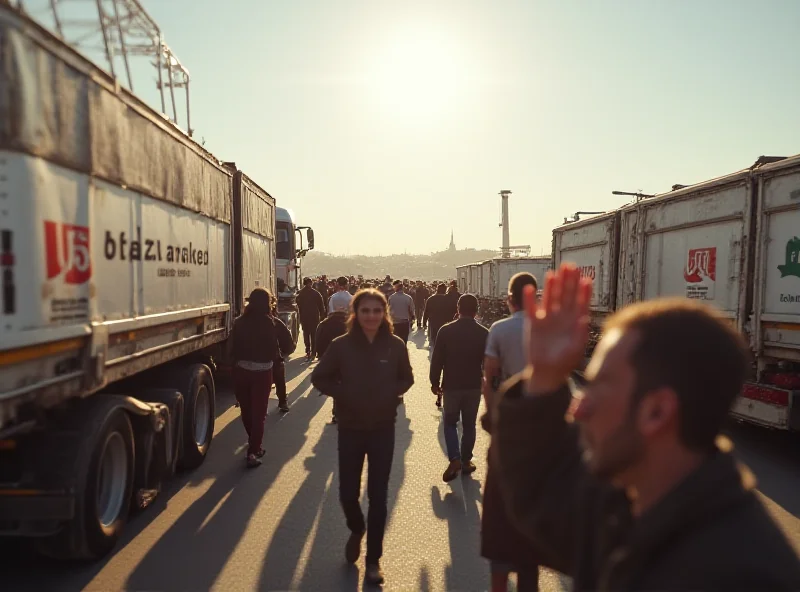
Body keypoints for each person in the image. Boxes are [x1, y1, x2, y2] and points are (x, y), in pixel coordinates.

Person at [493, 263, 800, 590]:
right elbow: (542, 492)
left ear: (656, 412)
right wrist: (544, 377)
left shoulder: (742, 575)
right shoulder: (633, 501)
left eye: (599, 387)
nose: (579, 407)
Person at [311, 289, 414, 586]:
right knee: (347, 494)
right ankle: (357, 529)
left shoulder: (394, 346)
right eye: (366, 311)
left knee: (379, 497)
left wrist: (391, 394)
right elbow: (320, 376)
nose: (371, 316)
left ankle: (373, 561)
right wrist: (346, 394)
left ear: (385, 314)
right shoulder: (341, 346)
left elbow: (407, 377)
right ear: (356, 314)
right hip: (351, 427)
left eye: (377, 311)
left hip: (383, 426)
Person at [481, 272, 542, 591]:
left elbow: (490, 378)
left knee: (500, 510)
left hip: (509, 425)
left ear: (509, 299)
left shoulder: (500, 329)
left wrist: (493, 418)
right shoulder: (547, 328)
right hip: (543, 429)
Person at [430, 294, 488, 482]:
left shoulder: (445, 331)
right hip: (473, 385)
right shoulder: (484, 333)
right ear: (476, 310)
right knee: (469, 425)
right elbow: (488, 363)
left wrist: (434, 382)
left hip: (452, 385)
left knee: (450, 423)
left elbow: (437, 360)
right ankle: (466, 461)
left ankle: (454, 458)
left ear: (458, 308)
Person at [231, 287, 278, 468]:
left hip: (241, 370)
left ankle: (253, 443)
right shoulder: (269, 322)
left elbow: (233, 347)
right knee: (259, 414)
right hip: (263, 371)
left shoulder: (239, 322)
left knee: (247, 410)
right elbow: (275, 348)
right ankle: (253, 450)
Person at [315, 309, 348, 423]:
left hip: (328, 357)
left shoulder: (323, 324)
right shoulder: (349, 324)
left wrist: (319, 355)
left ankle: (337, 413)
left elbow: (318, 340)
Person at [270, 301, 297, 413]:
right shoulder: (275, 322)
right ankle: (282, 401)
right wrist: (283, 354)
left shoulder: (242, 322)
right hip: (272, 360)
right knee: (279, 375)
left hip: (246, 362)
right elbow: (289, 344)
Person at [296, 277, 326, 361]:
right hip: (314, 316)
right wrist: (322, 315)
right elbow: (321, 305)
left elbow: (297, 305)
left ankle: (308, 350)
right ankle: (313, 352)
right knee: (314, 334)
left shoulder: (300, 293)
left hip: (304, 316)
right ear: (310, 283)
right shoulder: (316, 293)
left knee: (306, 333)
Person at [423, 283, 450, 349]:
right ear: (445, 290)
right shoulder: (447, 299)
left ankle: (435, 350)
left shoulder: (431, 299)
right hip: (445, 321)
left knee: (434, 337)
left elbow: (426, 312)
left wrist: (424, 322)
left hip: (433, 321)